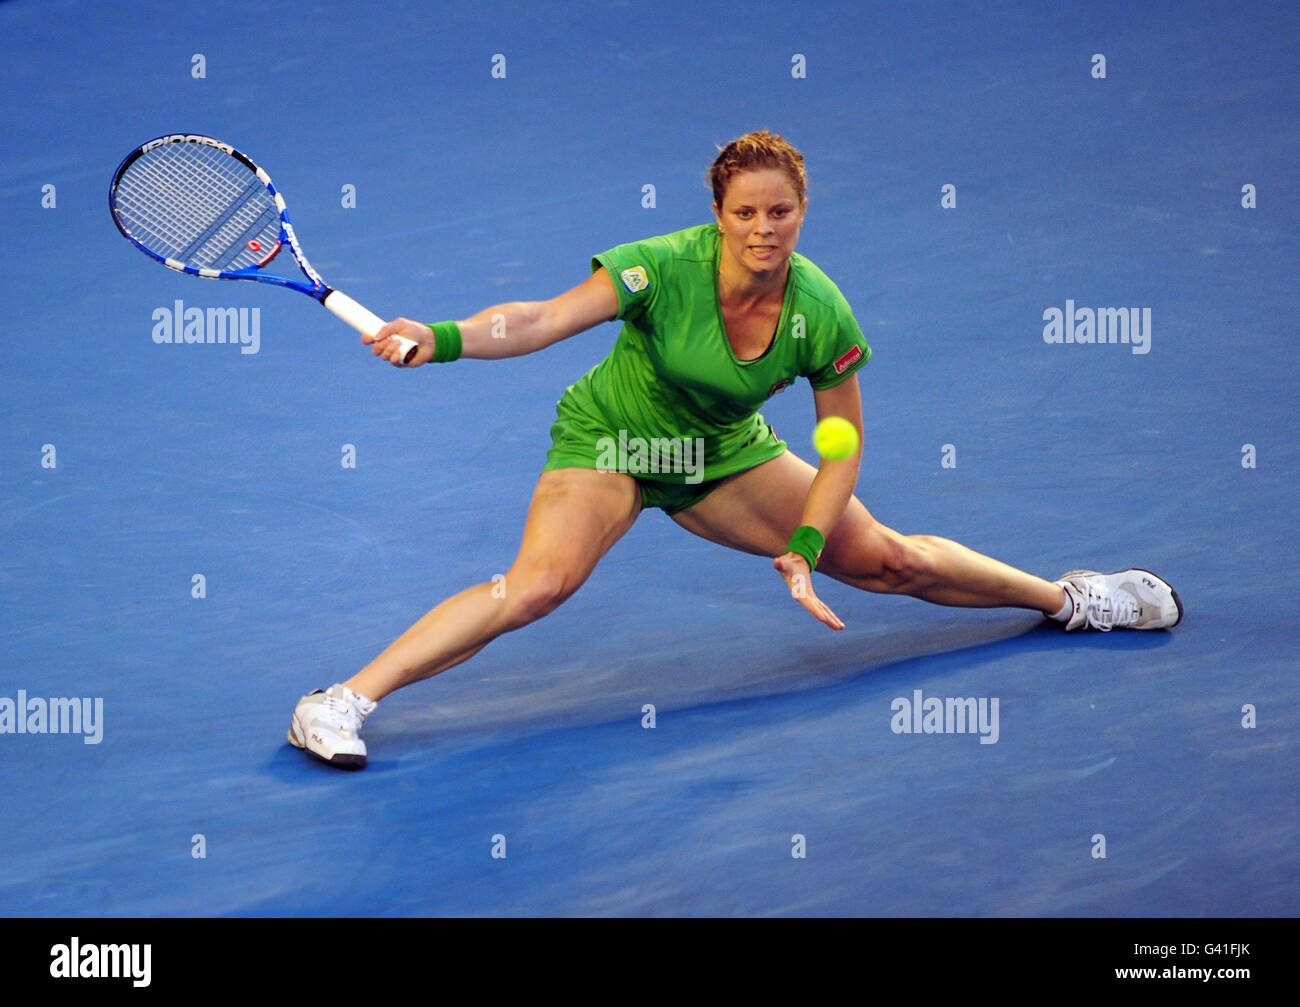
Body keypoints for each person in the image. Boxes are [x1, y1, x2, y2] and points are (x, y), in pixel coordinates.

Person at [288, 130, 1182, 769]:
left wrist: (803, 549)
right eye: (745, 212)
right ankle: (339, 701)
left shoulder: (819, 311)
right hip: (613, 442)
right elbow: (541, 320)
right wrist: (441, 337)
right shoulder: (658, 266)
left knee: (890, 562)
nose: (764, 229)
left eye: (781, 212)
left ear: (802, 211)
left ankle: (1071, 598)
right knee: (540, 585)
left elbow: (841, 442)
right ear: (717, 214)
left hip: (720, 455)